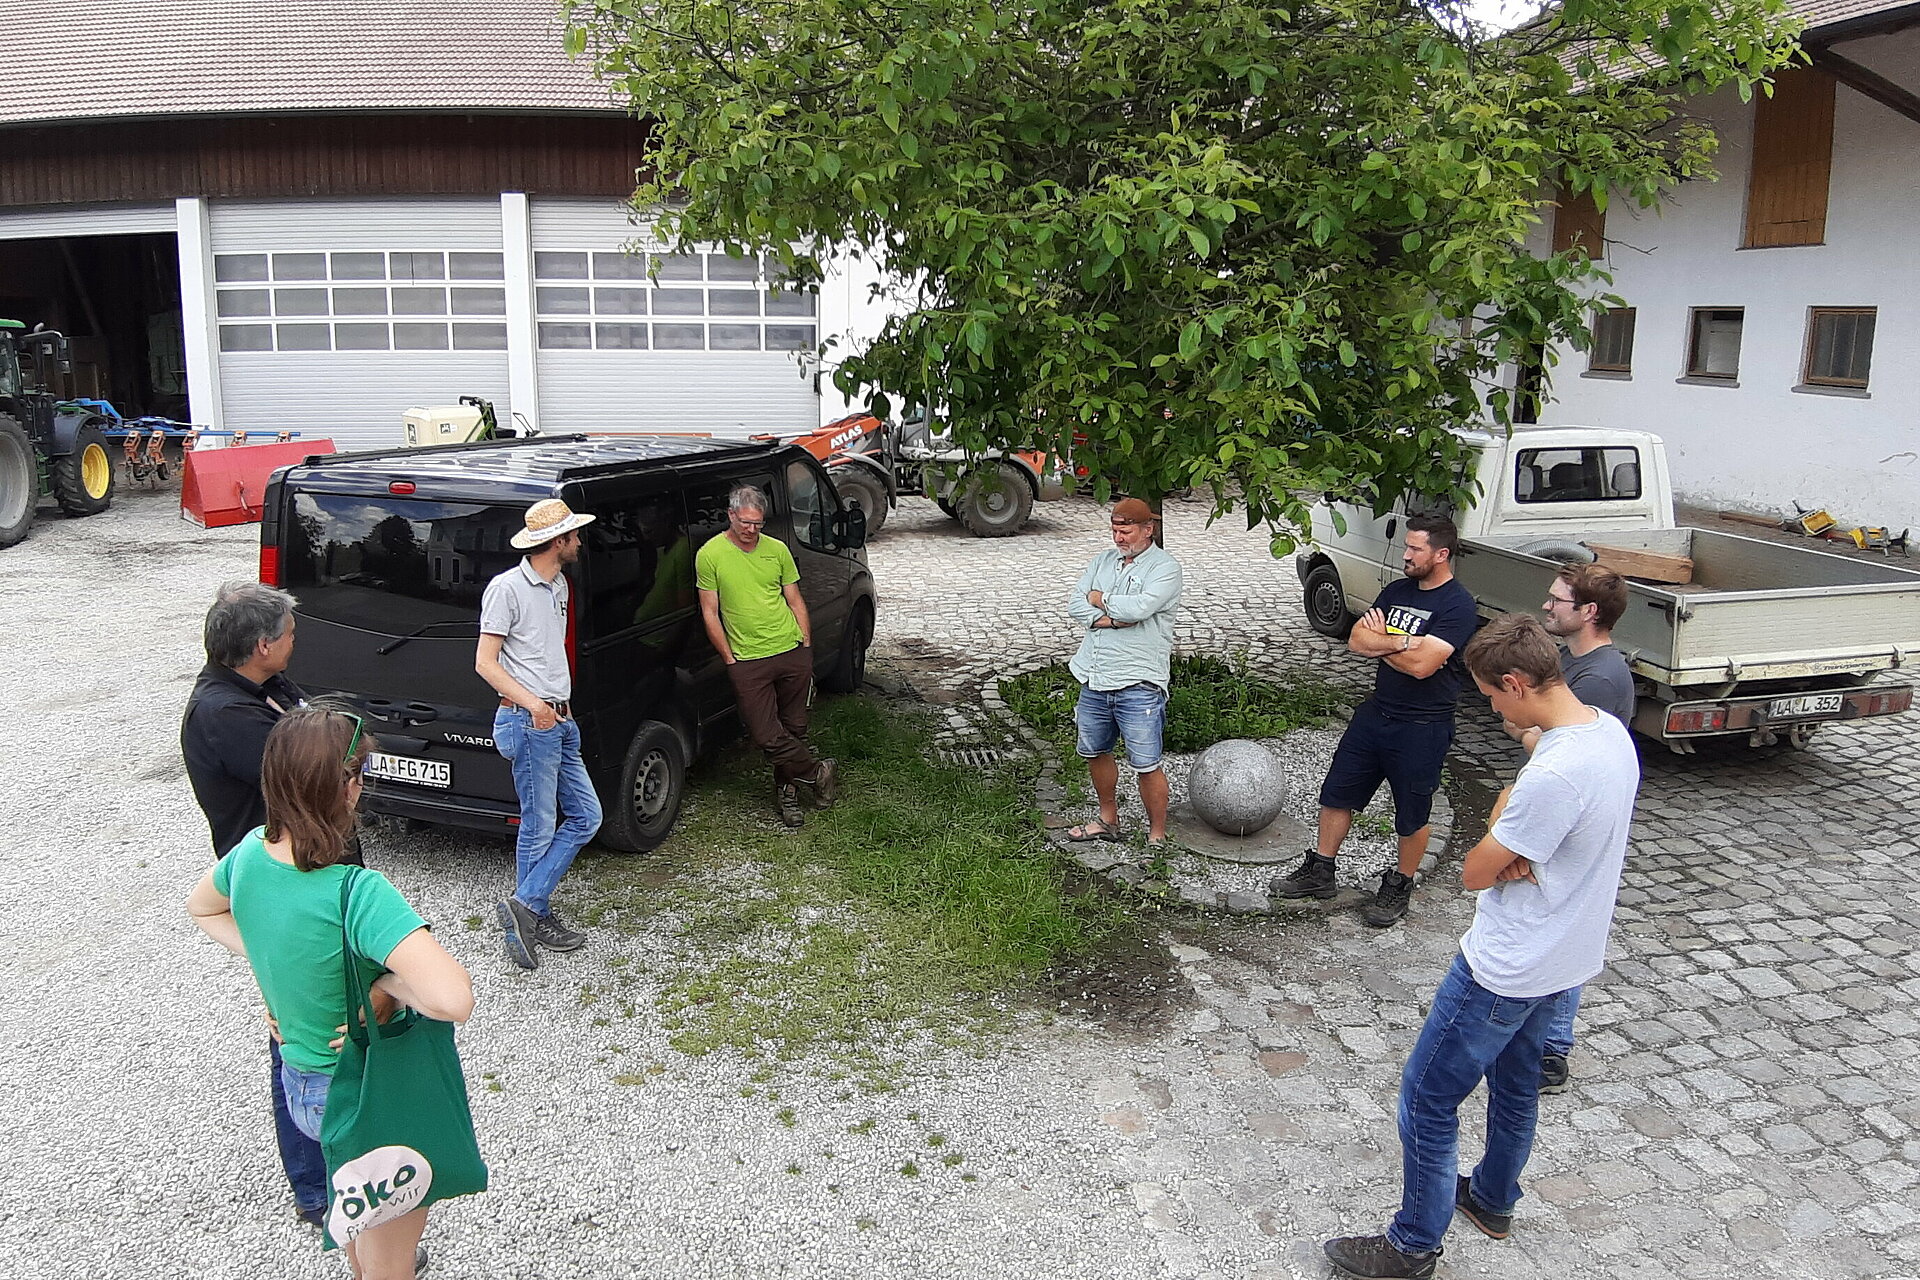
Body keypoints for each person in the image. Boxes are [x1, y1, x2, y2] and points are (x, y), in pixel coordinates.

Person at [1321, 614, 1640, 1279]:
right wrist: (1511, 834)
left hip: (1505, 966)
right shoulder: (1608, 736)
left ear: (1518, 681)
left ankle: (1412, 1244)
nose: (1491, 708)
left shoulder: (1555, 778)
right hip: (1564, 958)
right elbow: (1519, 812)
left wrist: (1502, 829)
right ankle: (1493, 1199)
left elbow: (1472, 873)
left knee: (1428, 1097)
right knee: (1517, 1085)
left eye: (1493, 696)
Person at [186, 708, 475, 1280]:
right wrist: (382, 986)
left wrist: (276, 961)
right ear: (347, 786)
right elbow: (453, 998)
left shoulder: (246, 855)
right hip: (363, 1093)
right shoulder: (357, 892)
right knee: (392, 1262)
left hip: (304, 1087)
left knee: (357, 1225)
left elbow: (202, 908)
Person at [180, 580, 356, 1229]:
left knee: (325, 1036)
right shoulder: (223, 715)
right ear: (260, 646)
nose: (294, 641)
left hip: (311, 883)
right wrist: (263, 943)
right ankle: (316, 1190)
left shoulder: (266, 687)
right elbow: (315, 768)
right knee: (297, 1045)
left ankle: (341, 1168)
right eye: (288, 633)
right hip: (280, 897)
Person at [1272, 515, 1478, 926]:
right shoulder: (1397, 590)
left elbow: (1423, 667)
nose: (1405, 555)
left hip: (1423, 725)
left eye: (1415, 549)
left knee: (1412, 812)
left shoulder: (1458, 605)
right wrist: (1405, 641)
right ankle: (1322, 871)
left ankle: (1400, 885)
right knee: (1337, 794)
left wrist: (1384, 642)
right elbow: (1356, 639)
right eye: (1406, 546)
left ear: (1441, 554)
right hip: (1375, 712)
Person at [1510, 562, 1635, 1094]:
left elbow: (1553, 743)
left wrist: (1528, 728)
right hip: (1559, 806)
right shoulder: (1572, 662)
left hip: (1574, 821)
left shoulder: (1601, 678)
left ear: (1588, 613)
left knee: (1566, 923)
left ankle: (1552, 1051)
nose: (1546, 606)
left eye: (1557, 600)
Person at [477, 498, 604, 971]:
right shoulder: (506, 589)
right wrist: (534, 705)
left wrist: (559, 708)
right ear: (556, 542)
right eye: (573, 535)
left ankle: (527, 903)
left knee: (587, 817)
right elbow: (484, 663)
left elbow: (548, 654)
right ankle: (535, 913)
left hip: (558, 718)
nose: (578, 541)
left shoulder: (560, 586)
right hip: (529, 720)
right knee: (538, 824)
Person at [696, 483, 838, 828]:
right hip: (747, 659)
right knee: (765, 734)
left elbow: (795, 599)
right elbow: (710, 612)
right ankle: (819, 771)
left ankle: (788, 797)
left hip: (790, 650)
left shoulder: (778, 551)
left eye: (758, 524)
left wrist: (805, 646)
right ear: (731, 515)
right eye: (745, 522)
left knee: (794, 729)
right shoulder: (710, 554)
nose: (751, 530)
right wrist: (730, 659)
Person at [1062, 498, 1184, 845]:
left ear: (1148, 530)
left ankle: (1156, 836)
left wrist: (1099, 599)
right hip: (1094, 675)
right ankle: (1107, 819)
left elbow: (1142, 607)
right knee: (1095, 751)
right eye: (1114, 530)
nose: (1118, 537)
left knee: (1146, 763)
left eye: (1125, 530)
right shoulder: (1102, 560)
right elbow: (1074, 602)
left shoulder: (1166, 568)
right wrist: (1112, 619)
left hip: (1139, 682)